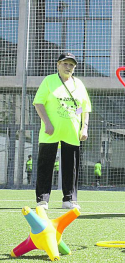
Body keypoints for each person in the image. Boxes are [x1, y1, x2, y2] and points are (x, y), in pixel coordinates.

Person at [33, 52, 91, 210]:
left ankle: (69, 199)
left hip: (72, 132)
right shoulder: (49, 81)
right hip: (50, 131)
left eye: (71, 65)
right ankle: (42, 200)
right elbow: (39, 103)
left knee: (71, 167)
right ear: (58, 64)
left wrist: (84, 127)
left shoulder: (79, 84)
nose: (68, 67)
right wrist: (47, 123)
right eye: (65, 63)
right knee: (45, 165)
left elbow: (84, 108)